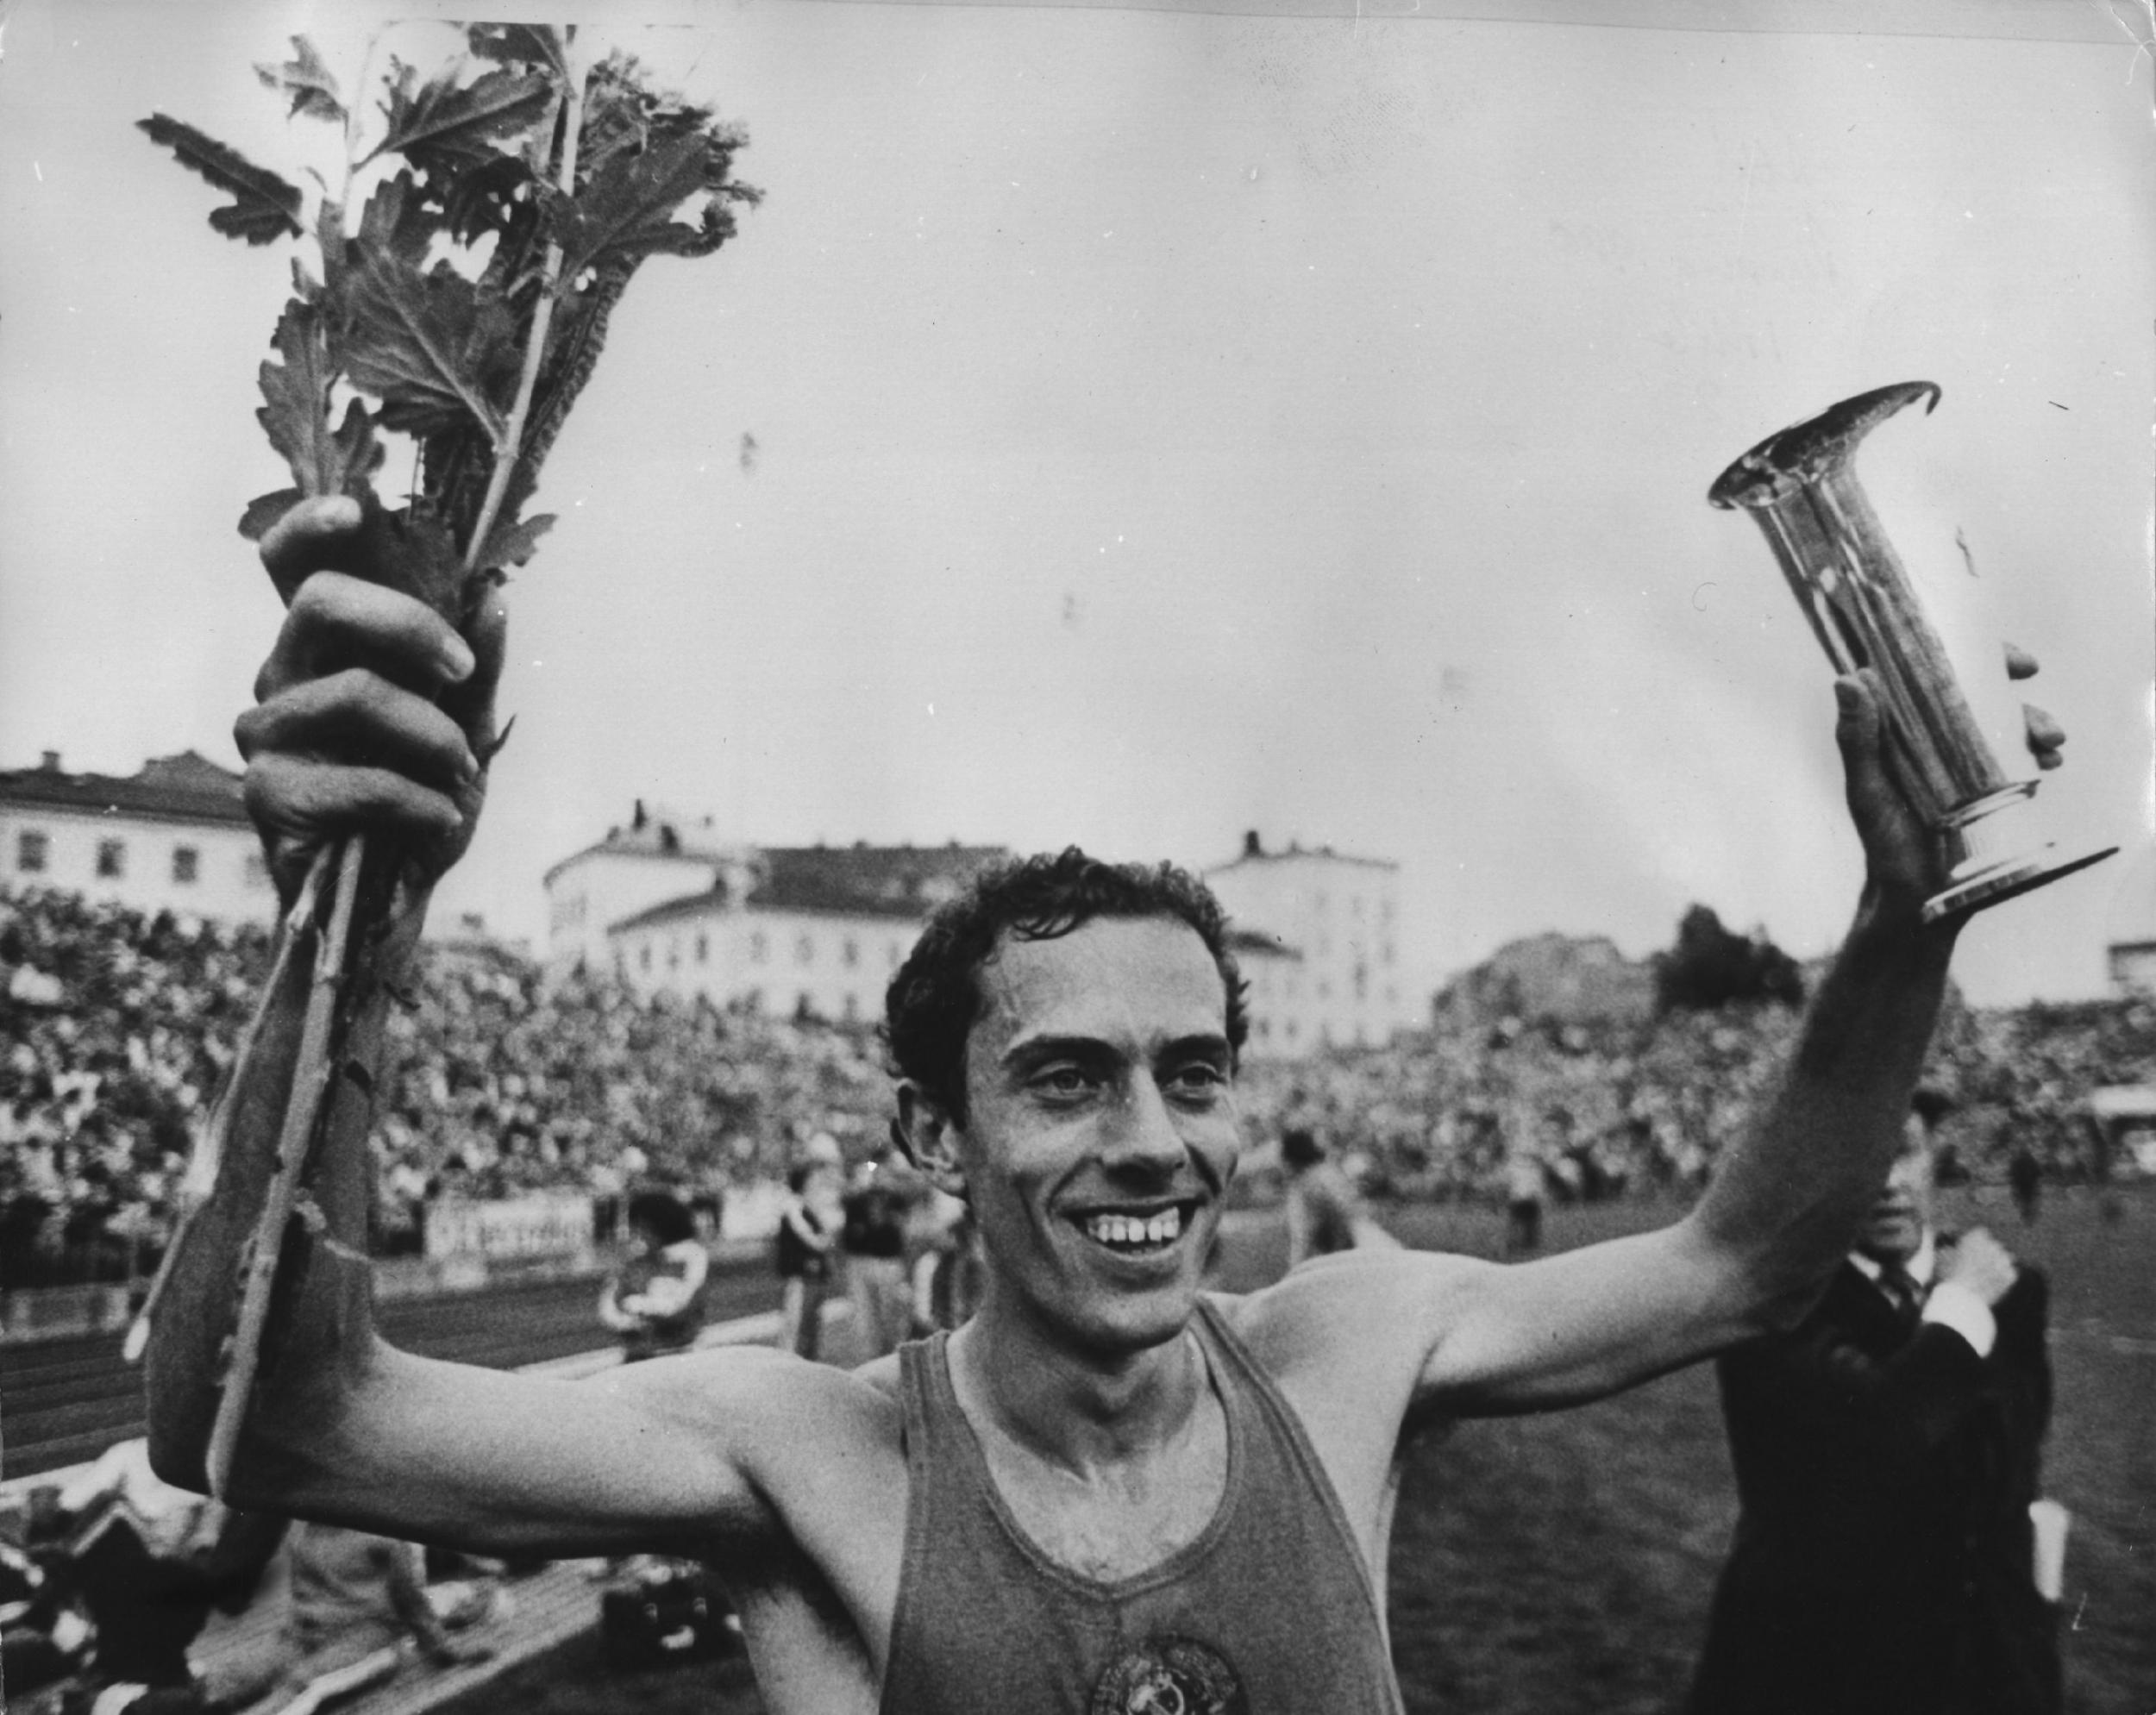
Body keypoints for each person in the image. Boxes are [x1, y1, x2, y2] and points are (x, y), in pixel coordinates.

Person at [146, 495, 2066, 1711]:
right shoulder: (806, 1455)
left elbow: (1747, 1257)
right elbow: (276, 1422)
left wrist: (1903, 915)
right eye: (1063, 1077)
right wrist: (353, 915)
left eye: (1192, 1069)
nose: (1151, 1135)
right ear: (932, 1135)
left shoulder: (1343, 1343)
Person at [1687, 1091, 2062, 1715]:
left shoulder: (2013, 1288)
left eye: (1903, 1151)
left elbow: (2011, 1474)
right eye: (1860, 1159)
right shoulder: (1773, 1303)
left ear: (1933, 1158)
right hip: (1826, 1669)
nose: (1887, 1181)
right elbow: (1875, 1440)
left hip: (1985, 1666)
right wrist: (1961, 1301)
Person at [48, 1438, 284, 1715]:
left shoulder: (136, 1457)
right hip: (176, 1569)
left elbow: (68, 1507)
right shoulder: (138, 1457)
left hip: (169, 1570)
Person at [248, 1523, 493, 1715]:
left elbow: (410, 1603)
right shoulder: (305, 1531)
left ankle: (478, 1600)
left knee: (304, 1680)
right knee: (247, 1673)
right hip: (312, 1632)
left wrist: (444, 1649)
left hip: (371, 1637)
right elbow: (302, 1597)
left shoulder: (382, 1536)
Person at [597, 1189, 709, 1363]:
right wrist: (625, 1322)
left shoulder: (692, 1256)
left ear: (660, 1225)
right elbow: (608, 1305)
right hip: (637, 1357)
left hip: (680, 1356)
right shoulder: (633, 1262)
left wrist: (640, 1306)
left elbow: (683, 1304)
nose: (637, 1233)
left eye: (642, 1227)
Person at [840, 1150, 917, 1361]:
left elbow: (904, 1230)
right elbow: (849, 1231)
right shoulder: (857, 1198)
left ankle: (890, 1360)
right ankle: (870, 1362)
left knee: (890, 1316)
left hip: (888, 1261)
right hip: (861, 1261)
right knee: (865, 1320)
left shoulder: (897, 1198)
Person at [1279, 1127, 1393, 1267]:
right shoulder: (1327, 1172)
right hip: (1370, 1240)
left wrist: (1295, 1269)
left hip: (1355, 1248)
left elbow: (1305, 1236)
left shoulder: (1306, 1183)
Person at [773, 1157, 838, 1360]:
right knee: (796, 1326)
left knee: (811, 1327)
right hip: (800, 1276)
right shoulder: (794, 1206)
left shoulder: (809, 1207)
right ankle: (791, 1365)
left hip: (814, 1278)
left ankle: (809, 1363)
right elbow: (813, 1239)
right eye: (813, 1180)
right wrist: (826, 1239)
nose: (817, 1184)